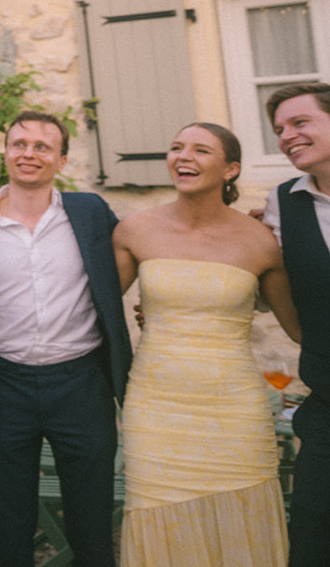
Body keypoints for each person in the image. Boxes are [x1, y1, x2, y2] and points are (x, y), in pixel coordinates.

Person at [0, 110, 133, 567]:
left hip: (81, 384)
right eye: (19, 144)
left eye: (42, 146)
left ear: (61, 160)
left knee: (92, 522)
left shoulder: (90, 213)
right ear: (5, 152)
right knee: (10, 522)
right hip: (3, 386)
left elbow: (137, 254)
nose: (29, 154)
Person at [113, 122, 297, 566]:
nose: (183, 157)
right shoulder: (134, 230)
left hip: (234, 407)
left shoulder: (261, 241)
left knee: (241, 521)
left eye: (200, 150)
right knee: (159, 520)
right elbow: (88, 311)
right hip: (156, 407)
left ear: (231, 169)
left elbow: (300, 328)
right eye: (176, 147)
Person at [260, 82, 330, 566]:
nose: (286, 136)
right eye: (279, 129)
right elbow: (271, 284)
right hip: (327, 403)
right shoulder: (282, 202)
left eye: (299, 122)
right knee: (312, 534)